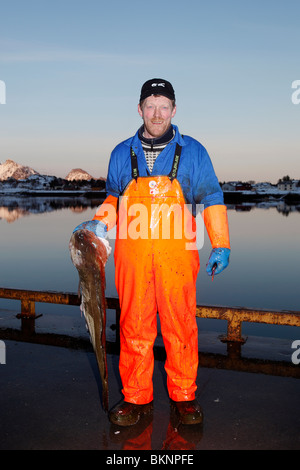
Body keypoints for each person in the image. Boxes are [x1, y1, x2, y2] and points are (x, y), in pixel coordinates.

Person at [73, 78, 231, 426]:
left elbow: (212, 197)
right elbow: (114, 198)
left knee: (180, 326)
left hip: (178, 258)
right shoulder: (120, 153)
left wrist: (220, 243)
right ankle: (135, 397)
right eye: (150, 105)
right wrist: (99, 223)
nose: (157, 113)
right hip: (133, 258)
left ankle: (184, 396)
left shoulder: (194, 152)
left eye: (163, 106)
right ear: (140, 109)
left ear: (174, 110)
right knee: (133, 328)